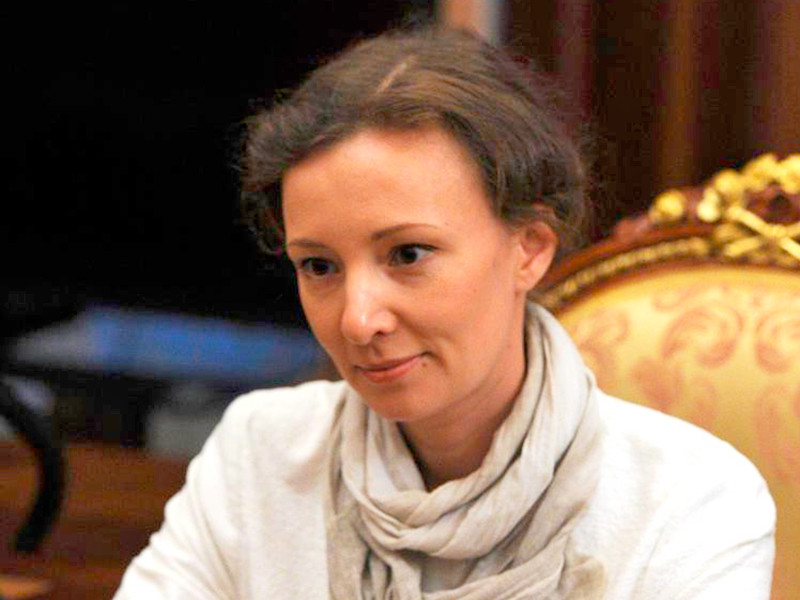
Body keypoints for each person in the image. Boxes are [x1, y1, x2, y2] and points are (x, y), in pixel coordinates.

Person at [114, 27, 775, 599]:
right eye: (319, 266)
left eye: (408, 254)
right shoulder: (258, 451)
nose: (358, 320)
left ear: (529, 248)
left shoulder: (689, 500)